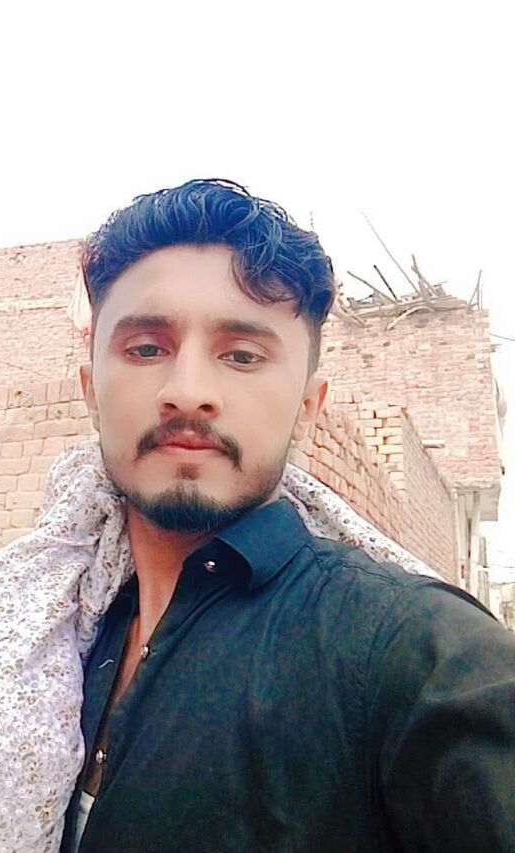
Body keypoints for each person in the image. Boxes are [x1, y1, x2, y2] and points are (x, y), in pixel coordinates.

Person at [58, 179, 515, 852]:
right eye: (147, 348)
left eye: (242, 355)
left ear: (308, 406)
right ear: (91, 391)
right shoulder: (59, 648)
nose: (188, 391)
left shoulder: (416, 652)